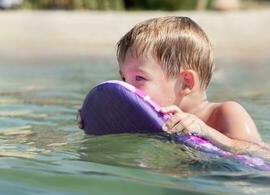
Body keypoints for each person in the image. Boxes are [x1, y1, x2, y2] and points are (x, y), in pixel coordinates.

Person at [77, 16, 270, 156]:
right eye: (125, 79)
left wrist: (206, 131)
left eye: (139, 78)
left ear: (185, 82)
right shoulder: (153, 121)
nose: (130, 89)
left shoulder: (225, 112)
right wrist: (100, 117)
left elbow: (258, 152)